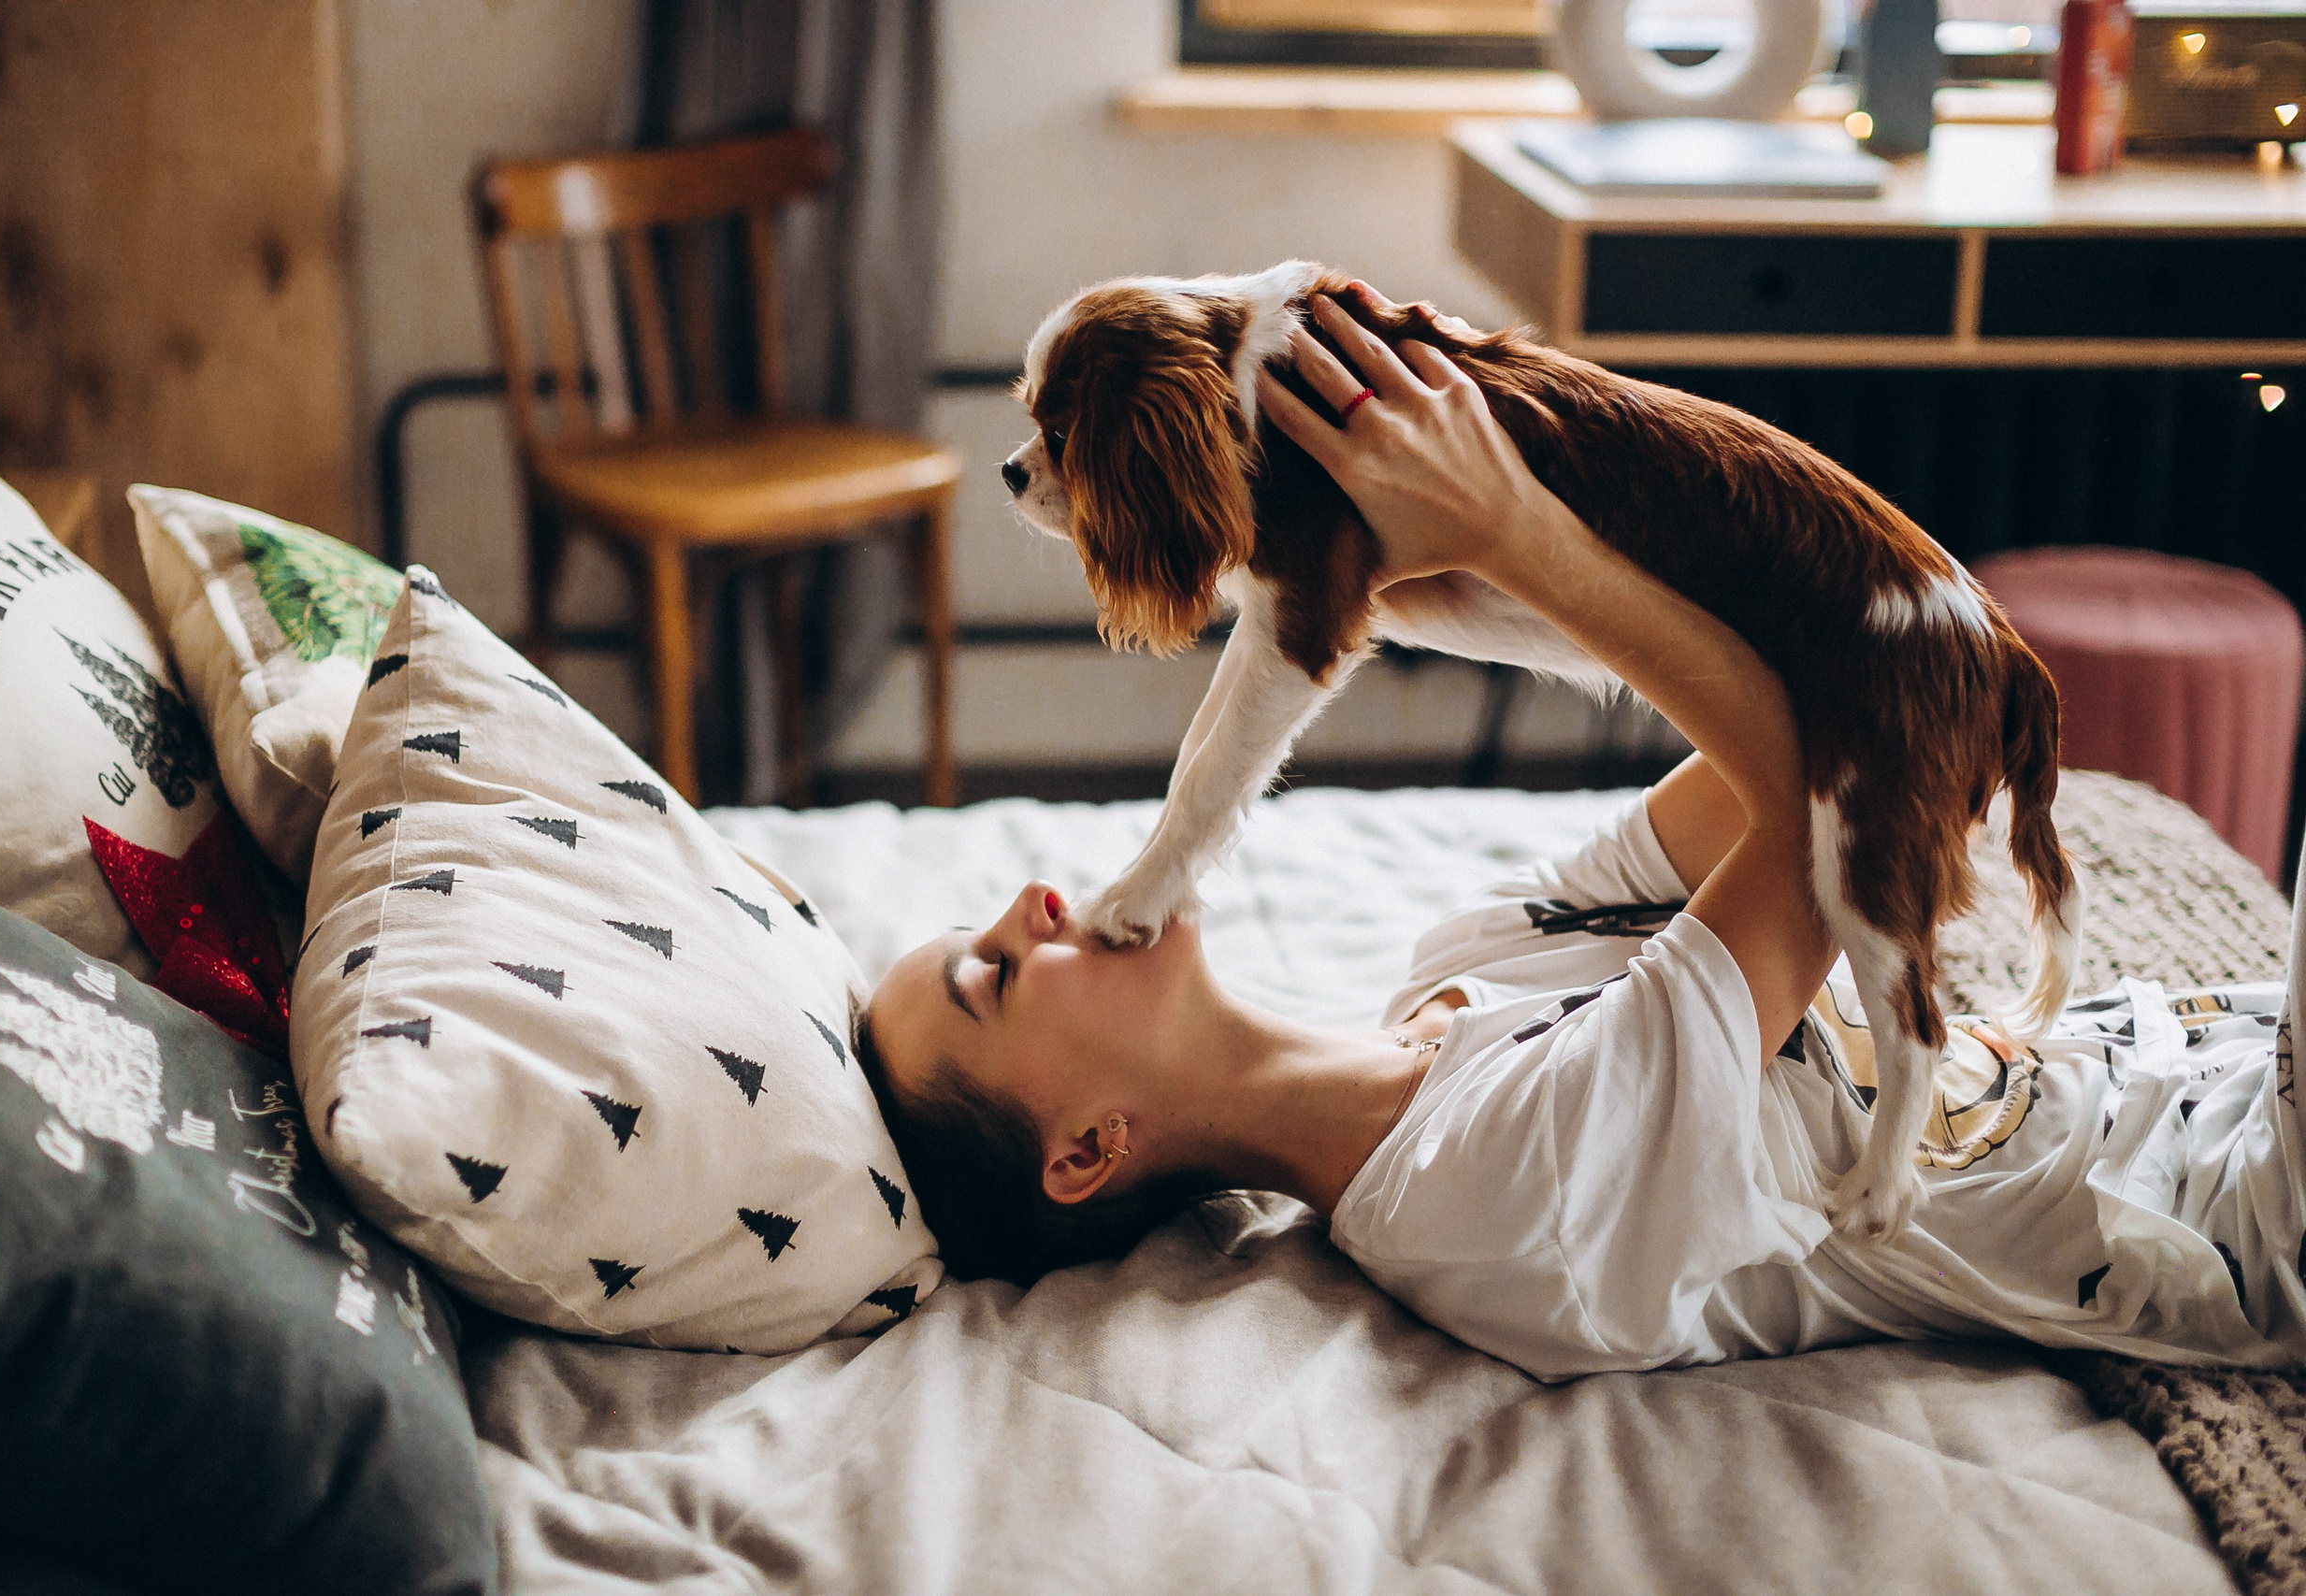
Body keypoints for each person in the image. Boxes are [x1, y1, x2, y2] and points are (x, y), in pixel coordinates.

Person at [858, 287, 2306, 1379]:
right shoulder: (1483, 1205)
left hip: (2210, 1046)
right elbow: (1835, 809)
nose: (1033, 903)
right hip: (2242, 1200)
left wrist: (1481, 496)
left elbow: (1827, 760)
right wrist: (1514, 538)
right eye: (993, 975)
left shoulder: (1461, 966)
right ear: (1088, 1149)